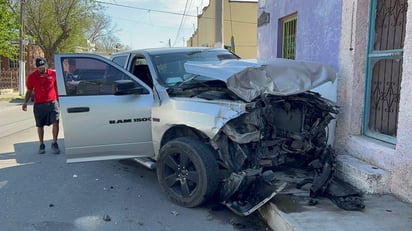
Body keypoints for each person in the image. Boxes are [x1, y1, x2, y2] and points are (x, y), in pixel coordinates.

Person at [22, 57, 60, 154]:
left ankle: (54, 143)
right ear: (37, 68)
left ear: (46, 66)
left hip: (52, 102)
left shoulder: (53, 74)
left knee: (56, 122)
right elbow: (29, 90)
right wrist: (25, 102)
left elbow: (57, 88)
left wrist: (60, 100)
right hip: (39, 105)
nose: (42, 69)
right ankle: (41, 144)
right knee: (40, 125)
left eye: (43, 67)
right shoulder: (32, 77)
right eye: (40, 68)